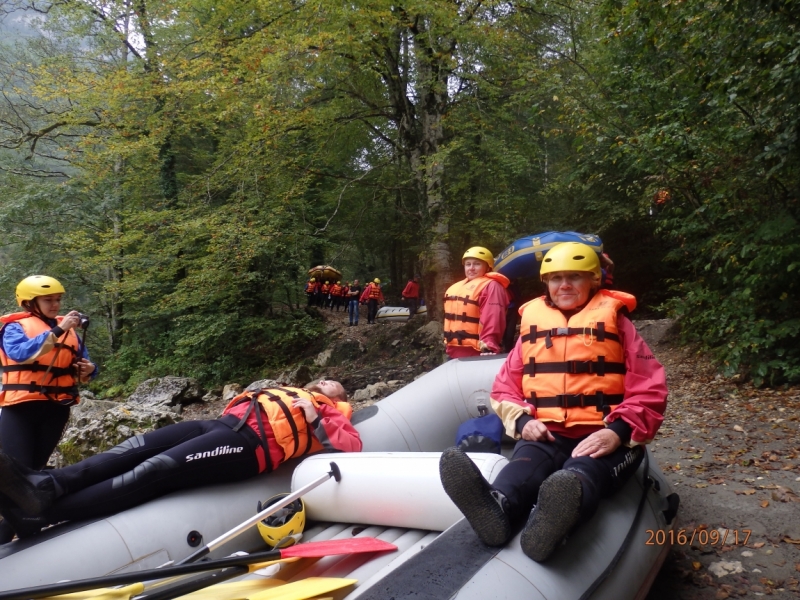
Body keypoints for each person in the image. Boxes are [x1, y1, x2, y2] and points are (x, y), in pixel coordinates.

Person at [439, 242, 667, 562]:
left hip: (601, 436)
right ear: (546, 283)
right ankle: (497, 508)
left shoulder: (618, 323)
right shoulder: (534, 323)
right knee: (521, 471)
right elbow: (504, 388)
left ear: (594, 280)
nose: (565, 285)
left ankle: (557, 520)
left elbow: (651, 388)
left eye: (574, 277)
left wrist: (617, 431)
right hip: (546, 432)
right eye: (556, 278)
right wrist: (522, 421)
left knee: (580, 473)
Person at [0, 380, 361, 540]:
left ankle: (42, 514)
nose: (325, 382)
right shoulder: (294, 392)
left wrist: (316, 420)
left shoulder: (332, 414)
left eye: (332, 384)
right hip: (218, 426)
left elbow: (351, 447)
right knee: (133, 447)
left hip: (245, 448)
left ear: (339, 397)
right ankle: (46, 485)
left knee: (153, 470)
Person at [0, 275, 98, 543]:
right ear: (31, 303)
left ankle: (24, 536)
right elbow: (20, 353)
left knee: (34, 476)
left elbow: (83, 364)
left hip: (55, 409)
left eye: (57, 300)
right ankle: (8, 536)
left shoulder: (69, 331)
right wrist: (57, 330)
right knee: (11, 477)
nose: (55, 305)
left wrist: (89, 370)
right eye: (48, 300)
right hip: (20, 408)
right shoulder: (14, 327)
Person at [443, 247, 509, 359]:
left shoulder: (492, 286)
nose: (471, 268)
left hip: (479, 351)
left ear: (487, 267)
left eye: (477, 264)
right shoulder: (455, 287)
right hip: (454, 350)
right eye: (468, 264)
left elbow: (493, 317)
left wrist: (489, 344)